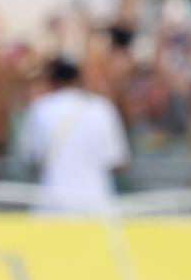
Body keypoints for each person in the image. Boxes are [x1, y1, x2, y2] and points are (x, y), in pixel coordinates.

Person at [19, 57, 129, 212]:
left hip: (53, 206)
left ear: (52, 80)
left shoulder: (40, 108)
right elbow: (119, 163)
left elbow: (31, 156)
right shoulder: (102, 108)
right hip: (96, 205)